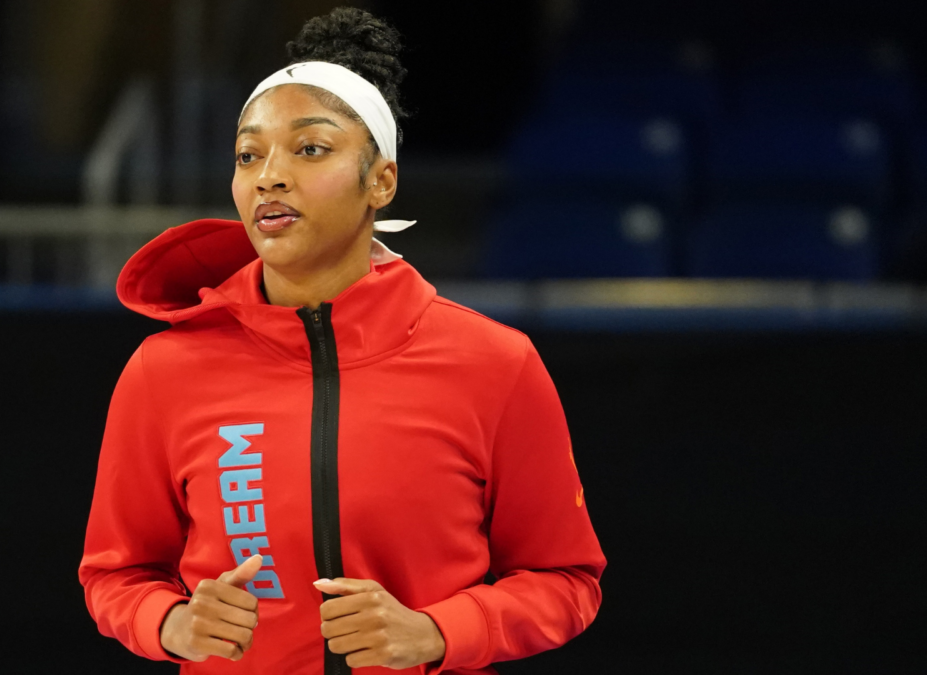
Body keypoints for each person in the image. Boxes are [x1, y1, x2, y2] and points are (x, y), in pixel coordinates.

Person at [78, 8, 605, 674]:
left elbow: (566, 580)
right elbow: (114, 574)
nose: (269, 176)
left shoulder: (495, 363)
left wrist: (437, 632)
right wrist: (172, 622)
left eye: (310, 149)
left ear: (381, 180)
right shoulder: (165, 369)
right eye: (248, 154)